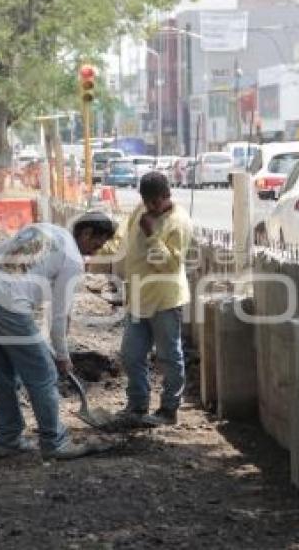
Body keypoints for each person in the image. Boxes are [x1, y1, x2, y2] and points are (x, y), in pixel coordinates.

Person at [0, 212, 116, 459]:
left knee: (5, 377)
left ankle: (8, 439)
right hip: (11, 309)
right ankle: (55, 443)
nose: (95, 251)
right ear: (86, 233)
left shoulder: (43, 228)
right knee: (44, 375)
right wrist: (62, 355)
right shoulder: (72, 259)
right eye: (96, 244)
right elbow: (59, 315)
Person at [114, 172, 192, 426]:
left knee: (169, 356)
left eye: (155, 203)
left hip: (164, 300)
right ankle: (137, 404)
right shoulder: (140, 210)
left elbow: (169, 265)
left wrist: (152, 235)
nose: (150, 208)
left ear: (167, 196)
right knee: (131, 355)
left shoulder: (178, 222)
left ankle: (169, 409)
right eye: (146, 202)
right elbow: (125, 241)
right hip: (138, 297)